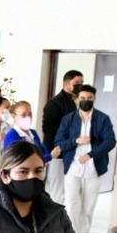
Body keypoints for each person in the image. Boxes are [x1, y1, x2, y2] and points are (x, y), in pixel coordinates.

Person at [54, 84, 117, 233]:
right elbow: (59, 142)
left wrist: (91, 154)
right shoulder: (68, 119)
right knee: (71, 205)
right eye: (82, 98)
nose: (85, 101)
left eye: (89, 98)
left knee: (88, 207)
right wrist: (76, 140)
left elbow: (110, 141)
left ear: (94, 98)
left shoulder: (103, 119)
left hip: (93, 169)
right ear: (77, 99)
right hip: (73, 168)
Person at [41, 69, 83, 202]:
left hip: (72, 151)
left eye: (82, 82)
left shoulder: (78, 101)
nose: (80, 85)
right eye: (77, 83)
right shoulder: (55, 103)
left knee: (68, 189)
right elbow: (48, 128)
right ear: (66, 84)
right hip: (58, 152)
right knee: (55, 189)